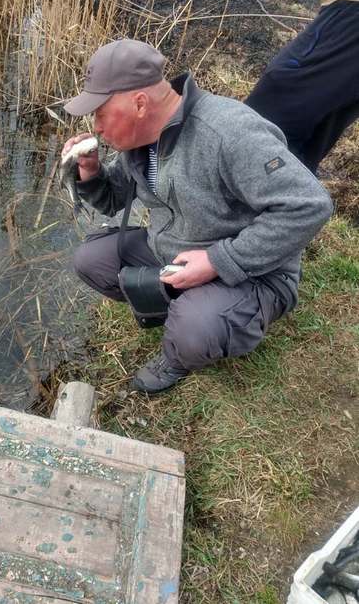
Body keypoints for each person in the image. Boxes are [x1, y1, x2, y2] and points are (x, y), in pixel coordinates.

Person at [62, 38, 333, 394]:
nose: (95, 126)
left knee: (194, 329)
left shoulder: (228, 133)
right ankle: (179, 306)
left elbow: (309, 205)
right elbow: (113, 200)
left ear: (139, 103)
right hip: (175, 251)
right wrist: (91, 172)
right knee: (91, 260)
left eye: (100, 112)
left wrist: (220, 260)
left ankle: (180, 351)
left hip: (253, 273)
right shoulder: (143, 138)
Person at [170, 0, 359, 174]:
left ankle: (230, 207)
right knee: (310, 129)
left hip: (352, 15)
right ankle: (289, 206)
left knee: (263, 123)